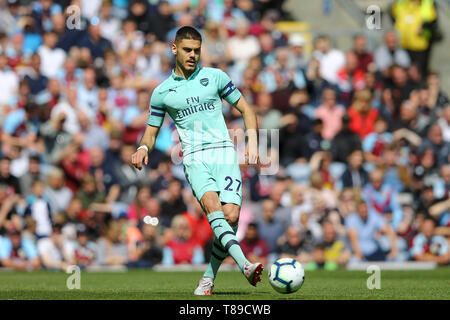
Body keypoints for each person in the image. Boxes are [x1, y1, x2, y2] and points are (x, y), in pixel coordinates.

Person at [131, 26, 264, 296]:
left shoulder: (215, 77)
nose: (192, 55)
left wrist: (252, 143)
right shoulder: (162, 92)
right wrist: (143, 147)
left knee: (232, 216)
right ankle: (245, 265)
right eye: (187, 50)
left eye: (197, 50)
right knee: (212, 205)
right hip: (194, 157)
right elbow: (152, 129)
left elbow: (246, 108)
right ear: (174, 49)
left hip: (224, 153)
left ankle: (208, 278)